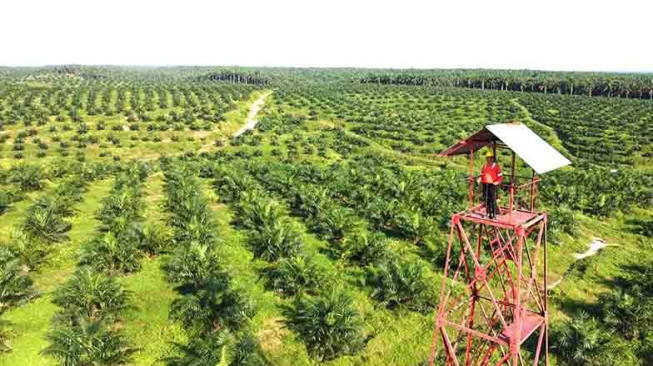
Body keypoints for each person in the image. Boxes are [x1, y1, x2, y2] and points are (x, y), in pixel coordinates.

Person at [477, 150, 503, 219]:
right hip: (485, 184)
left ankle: (494, 215)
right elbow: (482, 174)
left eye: (490, 158)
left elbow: (500, 176)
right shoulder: (484, 166)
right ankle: (488, 213)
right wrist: (480, 178)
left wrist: (497, 182)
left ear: (492, 158)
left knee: (493, 200)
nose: (489, 159)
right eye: (487, 158)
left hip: (492, 185)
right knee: (486, 199)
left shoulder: (496, 166)